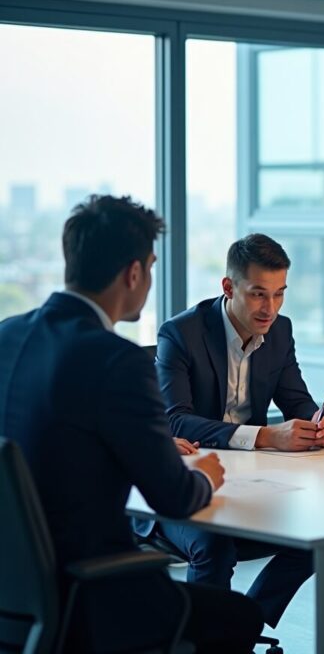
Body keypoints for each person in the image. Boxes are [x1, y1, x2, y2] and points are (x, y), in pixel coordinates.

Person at [0, 195, 262, 653]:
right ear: (135, 273)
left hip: (14, 595)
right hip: (90, 595)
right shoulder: (115, 360)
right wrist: (204, 475)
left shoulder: (7, 334)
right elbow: (174, 498)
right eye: (152, 268)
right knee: (241, 617)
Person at [154, 233, 324, 629]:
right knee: (214, 546)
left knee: (321, 533)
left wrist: (317, 422)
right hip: (186, 482)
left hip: (251, 482)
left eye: (279, 294)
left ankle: (243, 625)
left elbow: (296, 399)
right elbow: (176, 419)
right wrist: (265, 436)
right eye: (258, 295)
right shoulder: (180, 334)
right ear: (228, 287)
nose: (270, 308)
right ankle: (208, 641)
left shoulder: (280, 331)